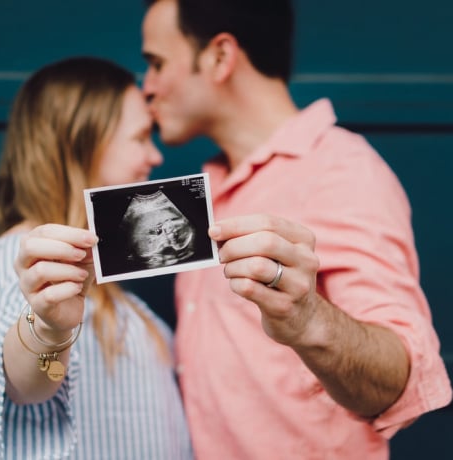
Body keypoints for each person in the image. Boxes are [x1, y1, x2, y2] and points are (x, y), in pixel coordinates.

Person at [140, 0, 452, 458]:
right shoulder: (206, 189)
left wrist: (307, 319)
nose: (146, 87)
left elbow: (398, 383)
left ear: (220, 57)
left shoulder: (340, 170)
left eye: (157, 63)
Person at [0, 56, 193, 460]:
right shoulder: (24, 260)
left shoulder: (104, 284)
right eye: (139, 138)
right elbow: (23, 383)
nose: (155, 157)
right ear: (80, 144)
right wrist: (48, 329)